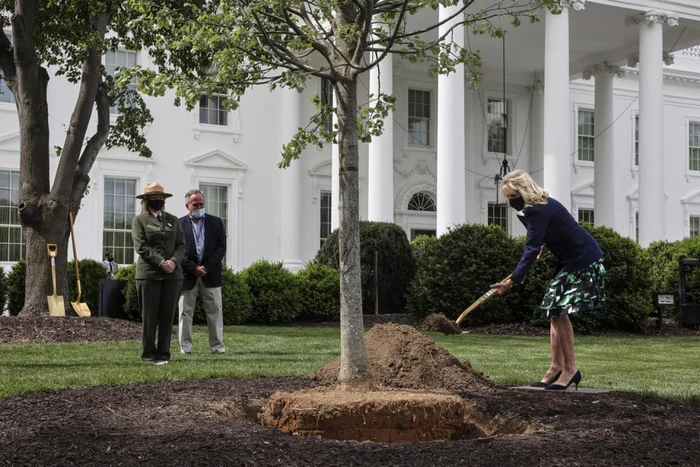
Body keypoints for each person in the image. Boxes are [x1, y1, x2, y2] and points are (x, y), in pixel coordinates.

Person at [490, 170, 606, 391]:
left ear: (523, 191)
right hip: (569, 258)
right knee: (554, 309)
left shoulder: (537, 211)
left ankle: (570, 369)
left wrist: (512, 281)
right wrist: (545, 243)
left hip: (583, 258)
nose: (510, 201)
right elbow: (557, 229)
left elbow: (530, 248)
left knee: (557, 308)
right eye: (507, 196)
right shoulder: (544, 205)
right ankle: (555, 368)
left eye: (512, 196)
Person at [131, 182, 185, 364]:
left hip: (173, 275)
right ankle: (148, 354)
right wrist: (161, 262)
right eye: (154, 198)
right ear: (146, 200)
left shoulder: (173, 220)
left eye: (161, 198)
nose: (158, 200)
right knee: (150, 316)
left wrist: (173, 261)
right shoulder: (140, 220)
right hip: (149, 275)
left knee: (167, 316)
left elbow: (181, 245)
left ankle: (164, 354)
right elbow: (141, 247)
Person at [178, 189, 227, 354]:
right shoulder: (178, 225)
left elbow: (221, 248)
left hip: (211, 274)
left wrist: (206, 267)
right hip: (187, 275)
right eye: (195, 204)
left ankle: (217, 347)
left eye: (201, 204)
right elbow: (176, 251)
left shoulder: (216, 222)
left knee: (215, 312)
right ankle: (185, 348)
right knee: (185, 312)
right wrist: (193, 267)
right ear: (187, 206)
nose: (199, 207)